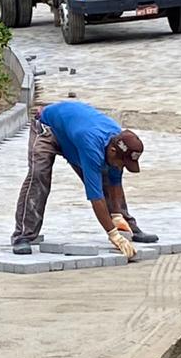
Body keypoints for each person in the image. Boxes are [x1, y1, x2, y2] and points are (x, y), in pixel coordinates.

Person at [12, 100, 156, 258]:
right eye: (123, 163)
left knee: (108, 178)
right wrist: (113, 235)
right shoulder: (91, 147)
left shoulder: (119, 142)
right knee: (39, 175)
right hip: (48, 128)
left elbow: (115, 185)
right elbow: (96, 198)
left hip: (72, 136)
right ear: (113, 151)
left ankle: (129, 227)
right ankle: (23, 236)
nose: (122, 167)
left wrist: (117, 216)